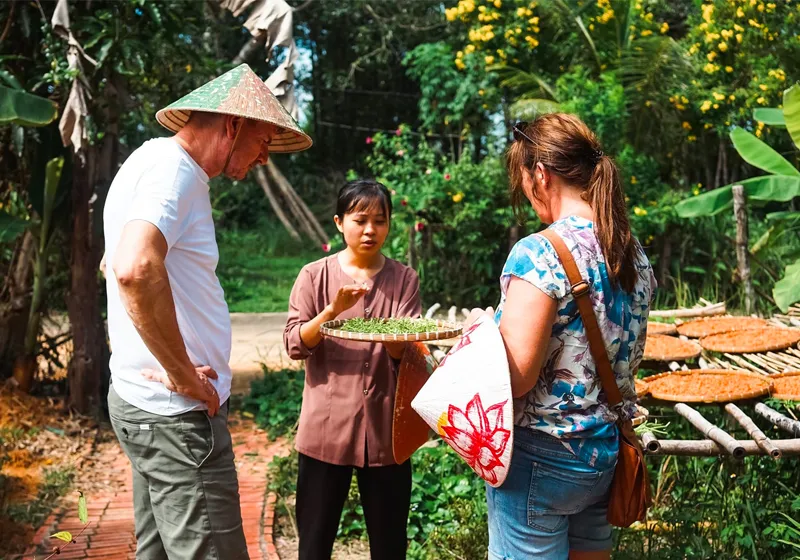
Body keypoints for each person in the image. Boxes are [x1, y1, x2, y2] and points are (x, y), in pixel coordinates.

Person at [103, 63, 311, 559]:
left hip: (141, 403)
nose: (265, 157)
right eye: (263, 141)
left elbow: (111, 261)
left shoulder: (149, 160)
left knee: (155, 550)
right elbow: (132, 267)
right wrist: (182, 374)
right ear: (232, 125)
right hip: (175, 418)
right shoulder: (175, 173)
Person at [468, 113, 656, 560]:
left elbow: (516, 378)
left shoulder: (539, 253)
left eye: (523, 179)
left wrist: (479, 332)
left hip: (542, 457)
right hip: (603, 454)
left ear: (540, 173)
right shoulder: (632, 251)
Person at [284, 180, 421, 560]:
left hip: (385, 435)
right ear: (339, 222)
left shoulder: (403, 279)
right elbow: (295, 343)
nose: (370, 230)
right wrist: (332, 311)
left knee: (390, 546)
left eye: (380, 220)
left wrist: (399, 339)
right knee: (314, 544)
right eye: (360, 220)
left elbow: (406, 354)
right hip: (325, 431)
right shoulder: (314, 276)